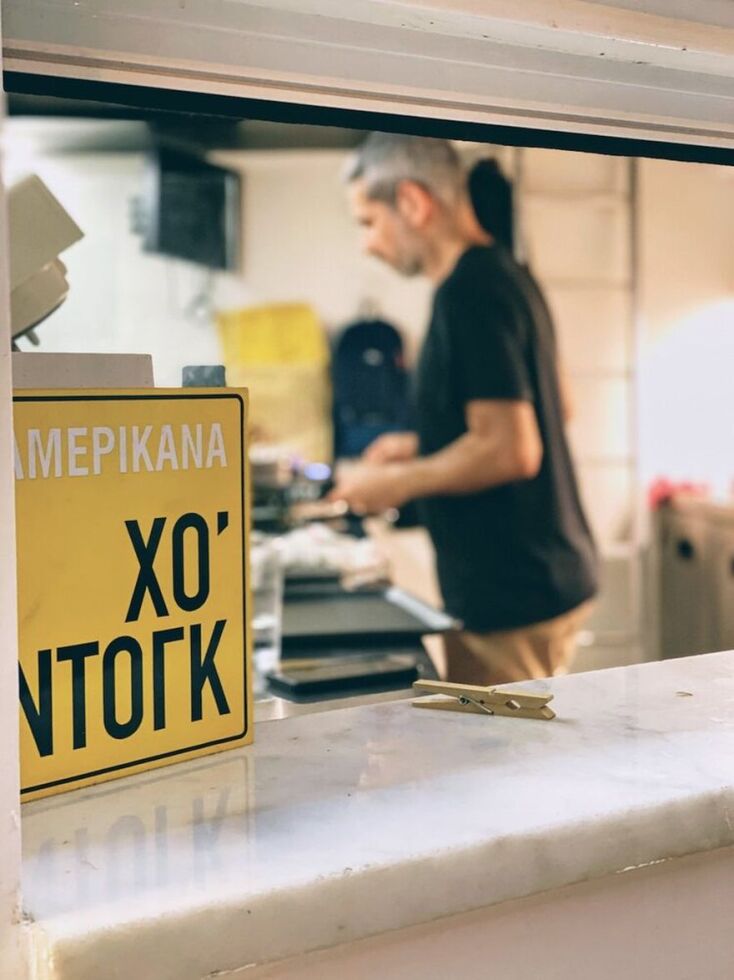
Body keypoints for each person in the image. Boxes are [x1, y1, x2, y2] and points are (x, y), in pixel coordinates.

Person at [329, 133, 598, 685]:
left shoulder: (469, 292)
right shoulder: (506, 273)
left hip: (512, 596)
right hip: (539, 576)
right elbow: (556, 407)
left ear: (412, 202)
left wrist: (395, 483)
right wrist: (421, 443)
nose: (366, 245)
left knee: (495, 744)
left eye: (368, 222)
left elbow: (513, 449)